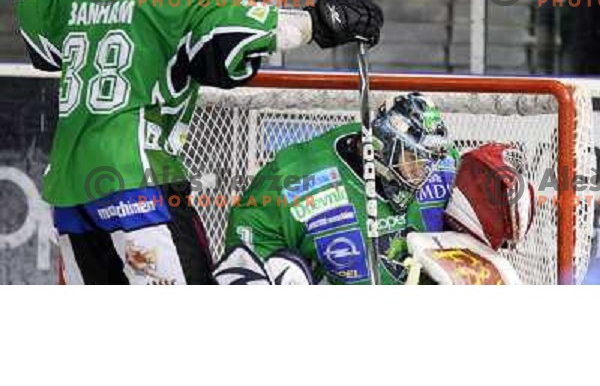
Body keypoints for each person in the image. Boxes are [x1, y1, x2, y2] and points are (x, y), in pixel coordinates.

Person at [15, 0, 383, 285]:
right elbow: (250, 24)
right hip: (137, 181)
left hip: (69, 192)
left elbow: (30, 0)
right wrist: (324, 21)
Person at [215, 93, 535, 285]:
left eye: (430, 160)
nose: (423, 173)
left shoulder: (445, 169)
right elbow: (243, 263)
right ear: (381, 147)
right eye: (413, 159)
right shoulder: (293, 180)